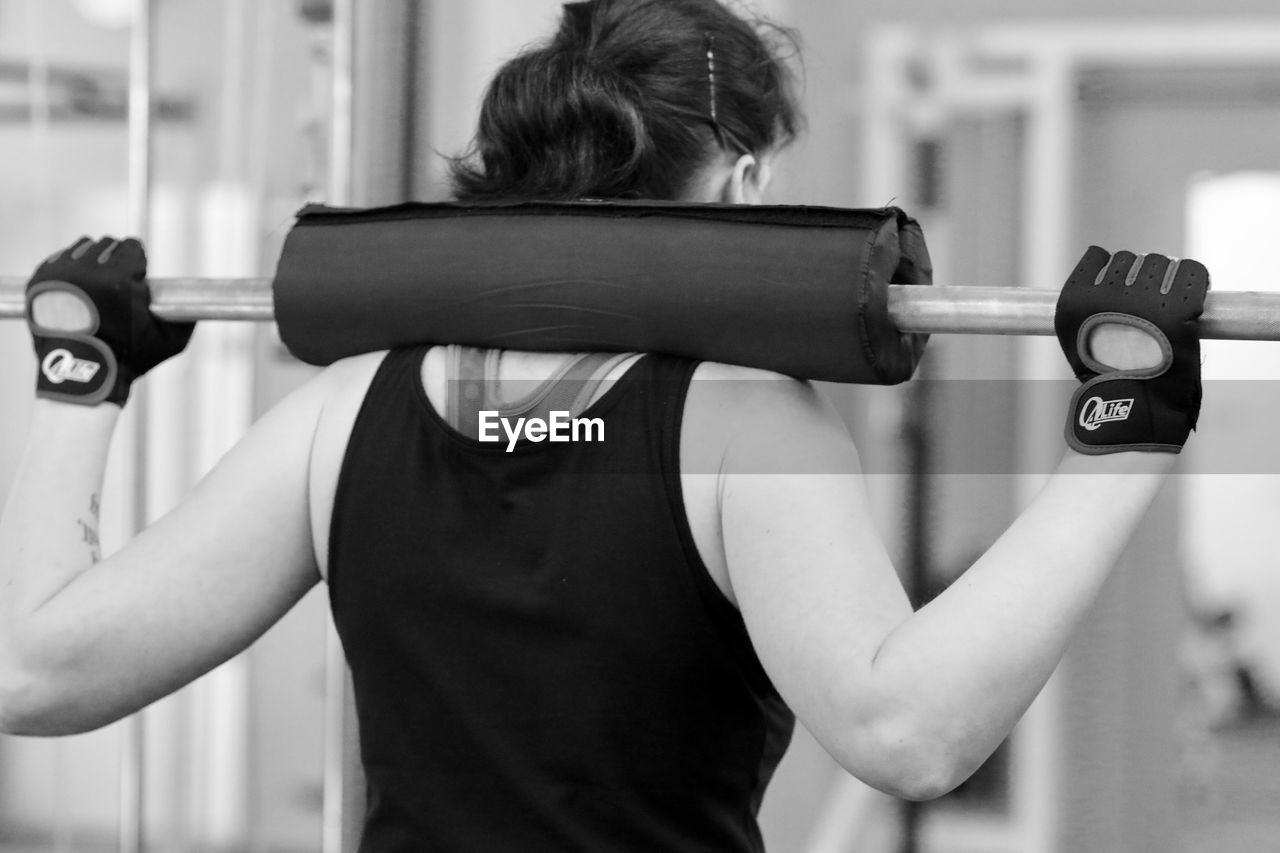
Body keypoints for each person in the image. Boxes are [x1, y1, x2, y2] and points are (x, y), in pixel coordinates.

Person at [0, 1, 1207, 851]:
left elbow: (35, 671)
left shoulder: (337, 412)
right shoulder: (739, 422)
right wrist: (1120, 437)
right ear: (737, 180)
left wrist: (78, 379)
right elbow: (909, 733)